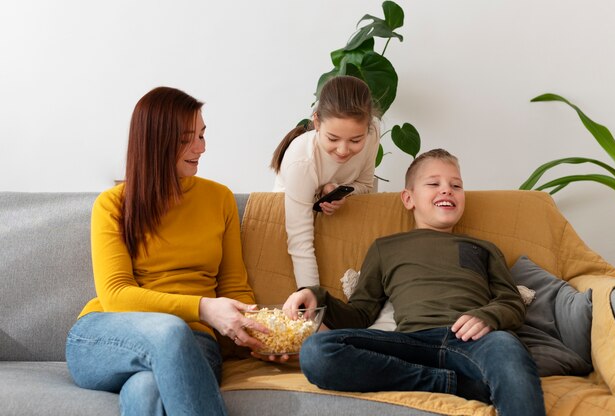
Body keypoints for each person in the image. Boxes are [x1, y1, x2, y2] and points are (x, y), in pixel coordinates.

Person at [283, 149, 546, 416]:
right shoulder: (385, 248)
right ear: (408, 198)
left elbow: (511, 301)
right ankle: (452, 385)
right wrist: (316, 295)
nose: (447, 190)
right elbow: (360, 314)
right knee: (317, 351)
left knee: (507, 348)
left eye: (456, 185)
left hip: (471, 341)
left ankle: (463, 382)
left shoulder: (482, 248)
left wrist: (488, 316)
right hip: (409, 343)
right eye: (434, 184)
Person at [65, 86, 267, 416]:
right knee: (168, 330)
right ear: (156, 141)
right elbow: (116, 294)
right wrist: (203, 308)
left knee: (146, 391)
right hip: (105, 336)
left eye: (203, 135)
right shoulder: (113, 205)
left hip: (195, 342)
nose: (201, 148)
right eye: (189, 138)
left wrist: (259, 337)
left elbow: (233, 288)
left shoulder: (219, 199)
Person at [270, 75, 381, 288]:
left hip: (329, 223)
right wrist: (314, 304)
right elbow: (300, 243)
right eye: (333, 138)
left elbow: (366, 186)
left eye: (356, 140)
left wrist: (339, 191)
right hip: (289, 227)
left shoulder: (372, 132)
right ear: (317, 122)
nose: (343, 150)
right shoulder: (302, 162)